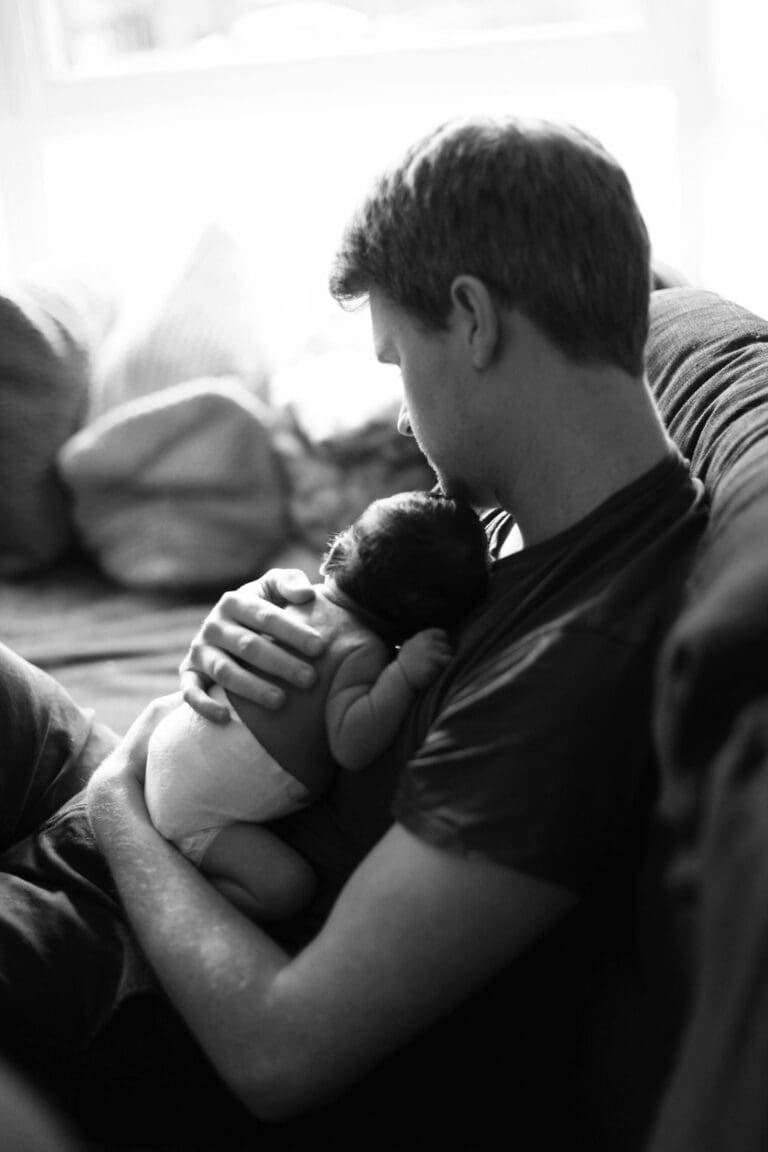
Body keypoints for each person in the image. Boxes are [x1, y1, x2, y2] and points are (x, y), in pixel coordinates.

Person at [75, 115, 709, 1149]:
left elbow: (283, 1052)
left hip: (134, 938)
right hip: (181, 818)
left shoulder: (579, 662)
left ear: (469, 319)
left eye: (397, 359)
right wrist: (263, 619)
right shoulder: (536, 514)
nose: (406, 418)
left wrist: (117, 808)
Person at [145, 490, 488, 921]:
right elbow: (351, 744)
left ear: (337, 552)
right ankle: (176, 896)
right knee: (287, 888)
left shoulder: (294, 597)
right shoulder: (363, 651)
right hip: (198, 817)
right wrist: (402, 675)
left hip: (164, 744)